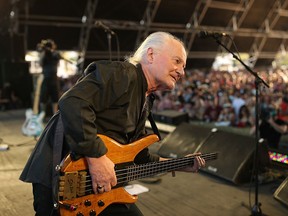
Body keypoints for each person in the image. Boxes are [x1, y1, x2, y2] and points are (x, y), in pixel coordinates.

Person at [20, 32, 205, 216]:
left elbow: (140, 158)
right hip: (60, 178)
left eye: (184, 66)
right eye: (177, 61)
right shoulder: (123, 74)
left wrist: (178, 164)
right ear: (150, 55)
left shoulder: (145, 99)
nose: (182, 72)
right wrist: (96, 157)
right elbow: (73, 101)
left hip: (94, 189)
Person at [37, 39, 61, 116]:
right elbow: (40, 63)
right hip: (46, 79)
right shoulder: (43, 54)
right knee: (43, 99)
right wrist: (44, 52)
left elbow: (58, 63)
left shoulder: (55, 54)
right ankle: (41, 115)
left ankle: (55, 116)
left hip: (54, 79)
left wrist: (51, 52)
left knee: (55, 99)